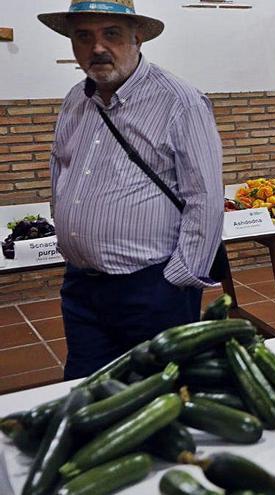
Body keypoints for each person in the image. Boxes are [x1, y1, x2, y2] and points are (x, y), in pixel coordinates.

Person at [38, 0, 224, 379]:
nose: (98, 48)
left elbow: (205, 198)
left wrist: (179, 278)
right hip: (82, 287)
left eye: (112, 34)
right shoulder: (76, 99)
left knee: (156, 400)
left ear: (137, 37)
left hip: (152, 289)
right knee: (86, 393)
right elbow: (61, 167)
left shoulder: (180, 102)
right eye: (84, 36)